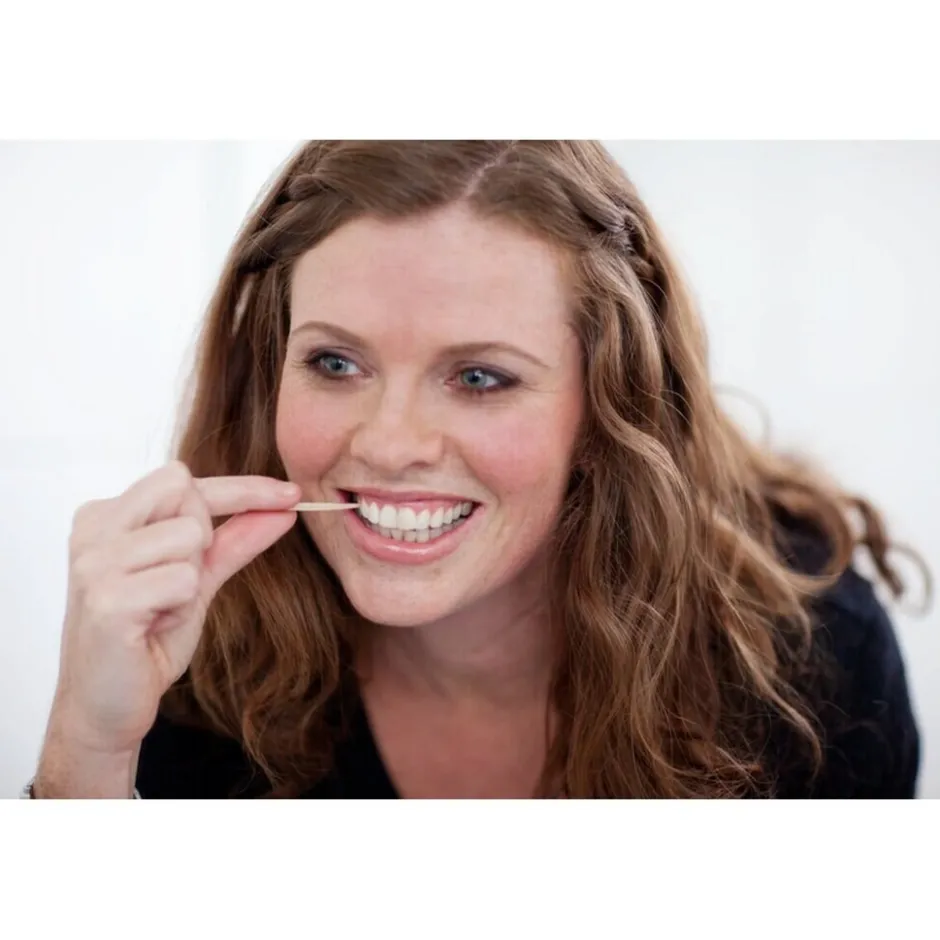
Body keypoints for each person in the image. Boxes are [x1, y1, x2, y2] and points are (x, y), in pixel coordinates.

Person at [25, 140, 926, 799]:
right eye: (335, 363)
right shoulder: (188, 653)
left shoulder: (812, 661)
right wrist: (88, 755)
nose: (389, 443)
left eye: (480, 378)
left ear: (611, 404)